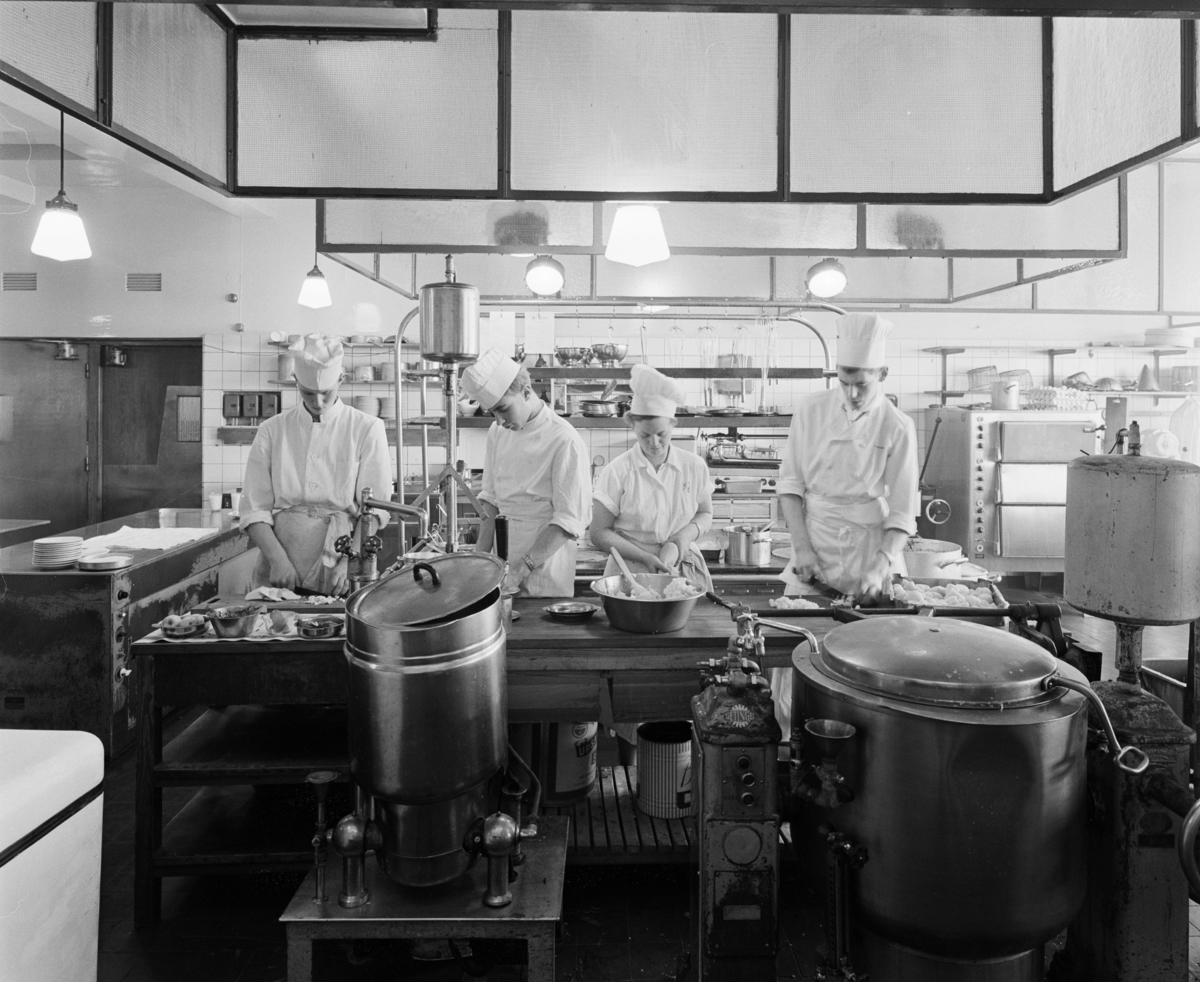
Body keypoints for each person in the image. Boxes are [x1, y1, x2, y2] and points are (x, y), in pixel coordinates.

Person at [778, 313, 919, 600]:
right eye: (844, 382)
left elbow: (903, 513)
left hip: (871, 551)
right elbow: (790, 486)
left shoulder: (897, 425)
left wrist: (880, 566)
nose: (852, 394)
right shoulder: (810, 409)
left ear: (882, 374)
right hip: (813, 545)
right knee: (801, 622)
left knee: (872, 627)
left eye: (861, 384)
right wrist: (802, 549)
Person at [240, 334, 392, 596]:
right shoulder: (272, 429)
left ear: (341, 379)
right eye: (308, 393)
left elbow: (374, 510)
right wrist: (278, 560)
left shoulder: (367, 428)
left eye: (326, 393)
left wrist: (350, 561)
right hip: (281, 558)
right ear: (296, 381)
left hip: (342, 559)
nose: (317, 402)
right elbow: (254, 509)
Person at [463, 348, 592, 598]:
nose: (499, 421)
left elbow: (568, 521)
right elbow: (490, 500)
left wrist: (521, 568)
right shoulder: (498, 432)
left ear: (525, 392)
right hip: (503, 564)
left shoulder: (564, 440)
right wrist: (479, 561)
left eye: (503, 409)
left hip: (546, 569)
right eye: (493, 413)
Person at [591, 363, 715, 590]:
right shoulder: (618, 471)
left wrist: (683, 538)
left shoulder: (694, 466)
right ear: (632, 426)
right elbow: (599, 533)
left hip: (684, 568)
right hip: (630, 571)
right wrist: (645, 557)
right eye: (645, 435)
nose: (654, 443)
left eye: (661, 434)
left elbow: (705, 513)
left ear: (673, 425)